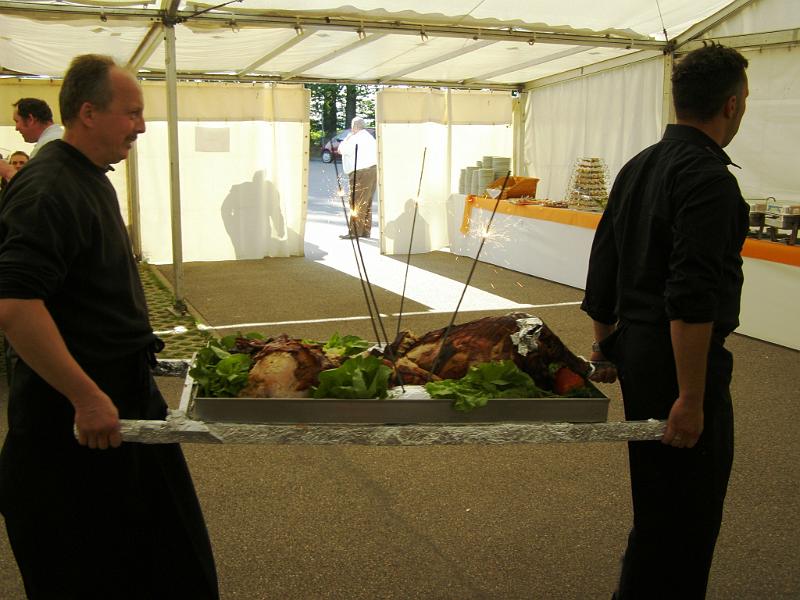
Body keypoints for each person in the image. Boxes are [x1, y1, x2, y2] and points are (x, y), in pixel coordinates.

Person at [0, 54, 219, 599]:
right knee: (90, 576)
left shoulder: (91, 178)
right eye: (133, 113)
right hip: (75, 428)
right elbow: (14, 305)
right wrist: (88, 397)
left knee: (172, 565)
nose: (142, 127)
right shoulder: (48, 188)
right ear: (89, 112)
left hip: (125, 404)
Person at [581, 44, 749, 599]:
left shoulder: (638, 165)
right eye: (744, 100)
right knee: (688, 519)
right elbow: (691, 298)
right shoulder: (709, 179)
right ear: (730, 105)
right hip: (679, 362)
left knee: (657, 508)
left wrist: (607, 347)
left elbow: (603, 262)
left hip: (639, 352)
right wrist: (693, 397)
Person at [0, 98, 63, 183]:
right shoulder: (55, 140)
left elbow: (39, 187)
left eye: (17, 121)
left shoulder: (51, 145)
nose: (16, 128)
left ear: (30, 119)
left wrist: (8, 172)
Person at [337, 116, 377, 238]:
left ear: (354, 127)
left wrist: (348, 137)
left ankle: (354, 231)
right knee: (366, 202)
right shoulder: (370, 137)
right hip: (372, 171)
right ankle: (365, 231)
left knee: (356, 202)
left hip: (360, 173)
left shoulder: (355, 138)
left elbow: (340, 150)